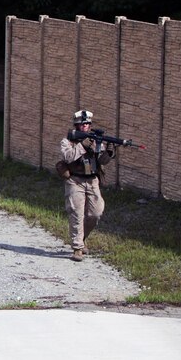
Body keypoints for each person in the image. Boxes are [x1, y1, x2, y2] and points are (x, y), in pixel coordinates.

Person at [60, 109, 114, 262]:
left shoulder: (95, 140)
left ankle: (81, 238)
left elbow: (102, 161)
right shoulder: (68, 141)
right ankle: (77, 248)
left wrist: (109, 152)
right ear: (76, 126)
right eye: (81, 124)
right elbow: (68, 157)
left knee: (95, 213)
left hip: (92, 181)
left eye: (87, 124)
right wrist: (83, 145)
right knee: (76, 213)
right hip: (75, 180)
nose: (85, 127)